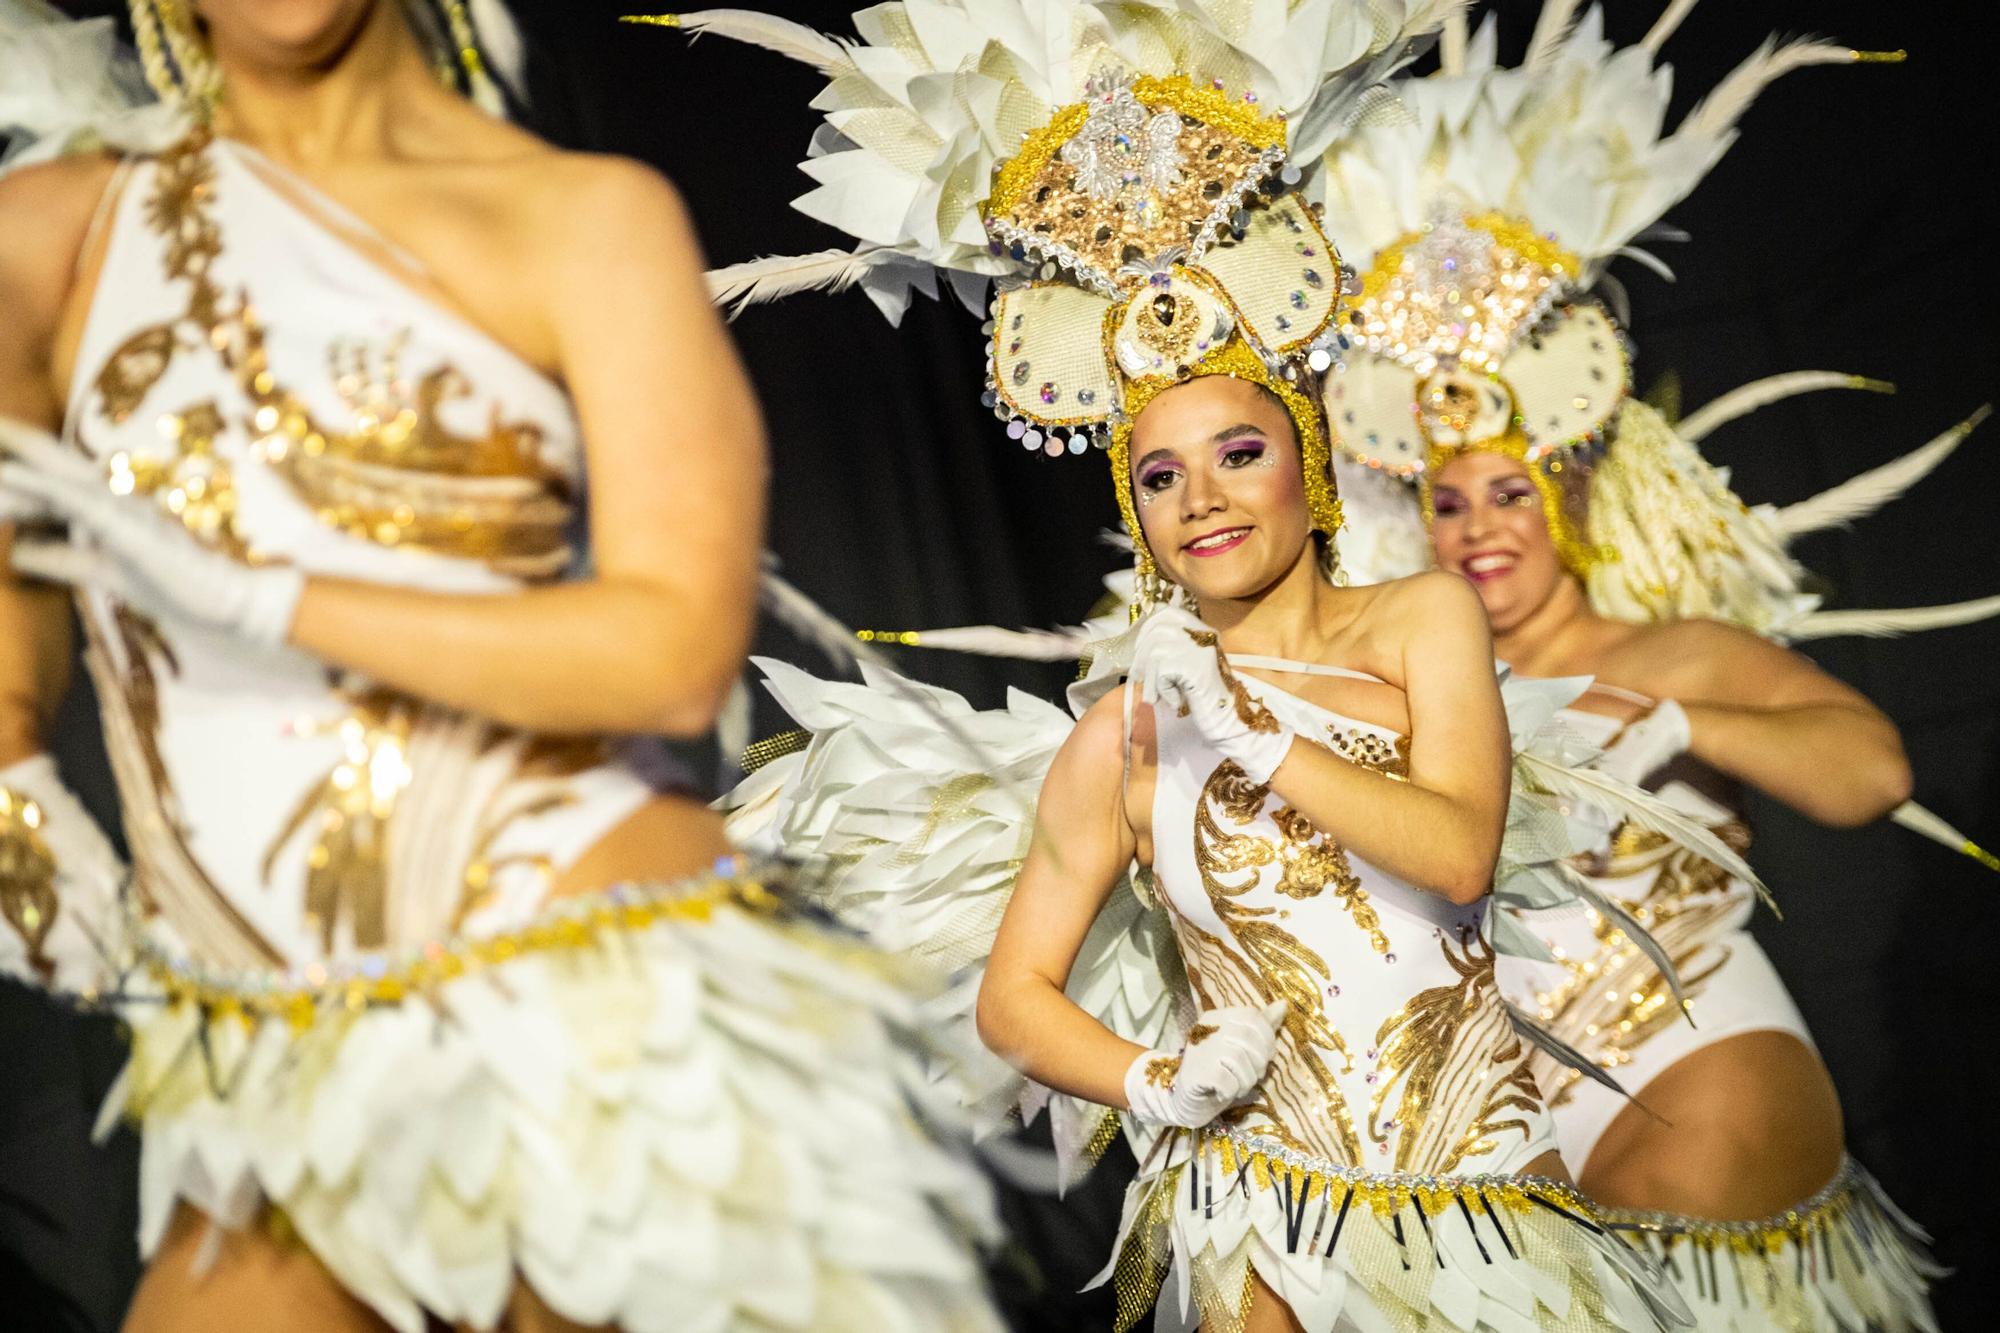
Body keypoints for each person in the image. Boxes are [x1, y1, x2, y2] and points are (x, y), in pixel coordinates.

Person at [682, 4, 1719, 1327]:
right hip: (1263, 1220)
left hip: (1484, 1210)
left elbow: (1457, 855)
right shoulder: (1120, 736)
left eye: (1238, 454)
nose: (1201, 501)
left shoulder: (1417, 623)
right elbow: (1016, 997)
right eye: (1160, 475)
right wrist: (1154, 1074)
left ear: (1310, 464)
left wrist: (1243, 726)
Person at [0, 2, 999, 1329]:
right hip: (265, 1060)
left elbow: (667, 654)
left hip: (600, 1027)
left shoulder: (582, 217)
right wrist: (15, 791)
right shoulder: (50, 241)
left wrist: (266, 592)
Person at [1313, 6, 1948, 1324]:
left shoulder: (1669, 650)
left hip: (1704, 1068)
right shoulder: (1414, 688)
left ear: (1573, 497)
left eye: (1509, 493)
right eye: (1450, 503)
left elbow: (1870, 773)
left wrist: (1664, 714)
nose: (1480, 530)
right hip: (1535, 1138)